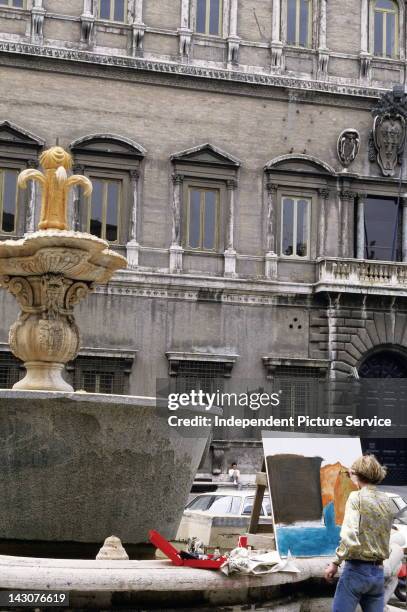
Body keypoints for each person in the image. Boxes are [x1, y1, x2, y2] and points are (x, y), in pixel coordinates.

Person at [324, 454, 395, 612]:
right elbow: (384, 535)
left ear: (356, 474)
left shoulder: (356, 498)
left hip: (356, 571)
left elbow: (350, 536)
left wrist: (335, 563)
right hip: (377, 573)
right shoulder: (387, 501)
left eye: (350, 473)